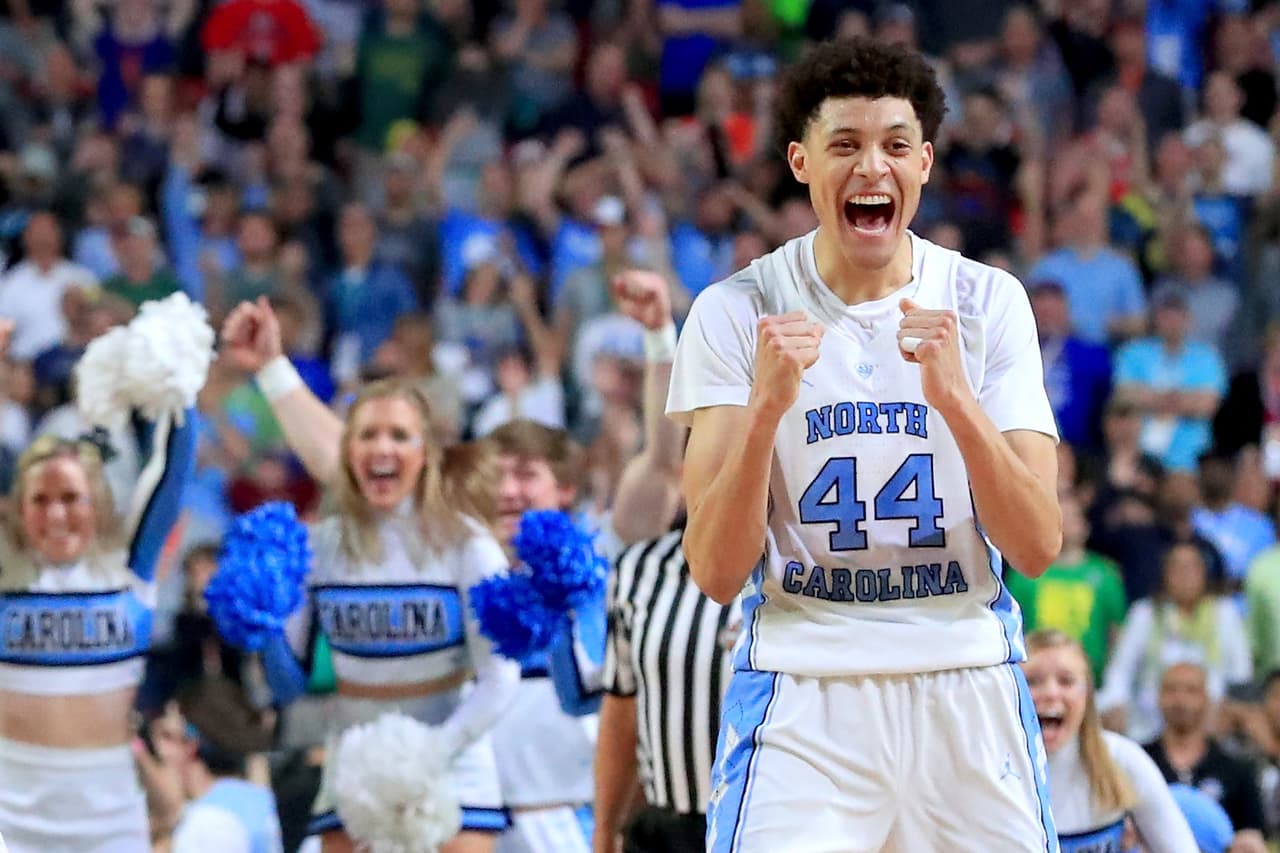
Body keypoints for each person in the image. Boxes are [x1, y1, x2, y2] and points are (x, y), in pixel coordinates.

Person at [668, 37, 1063, 851]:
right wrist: (766, 411)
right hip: (803, 688)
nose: (871, 168)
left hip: (966, 675)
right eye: (844, 145)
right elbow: (711, 570)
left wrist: (956, 400)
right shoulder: (736, 311)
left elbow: (1038, 542)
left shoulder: (988, 302)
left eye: (892, 145)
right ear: (801, 161)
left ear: (924, 161)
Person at [220, 299, 521, 853]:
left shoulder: (467, 544)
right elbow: (291, 687)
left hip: (453, 763)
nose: (383, 448)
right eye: (368, 436)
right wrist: (264, 632)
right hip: (351, 768)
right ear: (350, 451)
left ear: (426, 452)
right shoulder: (320, 547)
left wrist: (432, 753)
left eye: (399, 436)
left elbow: (500, 679)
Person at [0, 318, 197, 851]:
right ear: (19, 511)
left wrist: (175, 378)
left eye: (71, 499)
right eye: (40, 501)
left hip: (111, 823)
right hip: (9, 823)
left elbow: (173, 470)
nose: (57, 515)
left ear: (98, 505)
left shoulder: (129, 569)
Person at [1021, 629, 1198, 852]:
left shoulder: (1122, 758)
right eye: (1032, 681)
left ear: (1087, 693)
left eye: (1066, 681)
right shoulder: (989, 767)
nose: (1051, 693)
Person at [1143, 663, 1269, 853]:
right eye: (1171, 690)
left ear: (1207, 699)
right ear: (1159, 697)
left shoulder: (1238, 769)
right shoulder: (1137, 761)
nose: (1180, 699)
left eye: (1191, 691)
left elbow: (1253, 836)